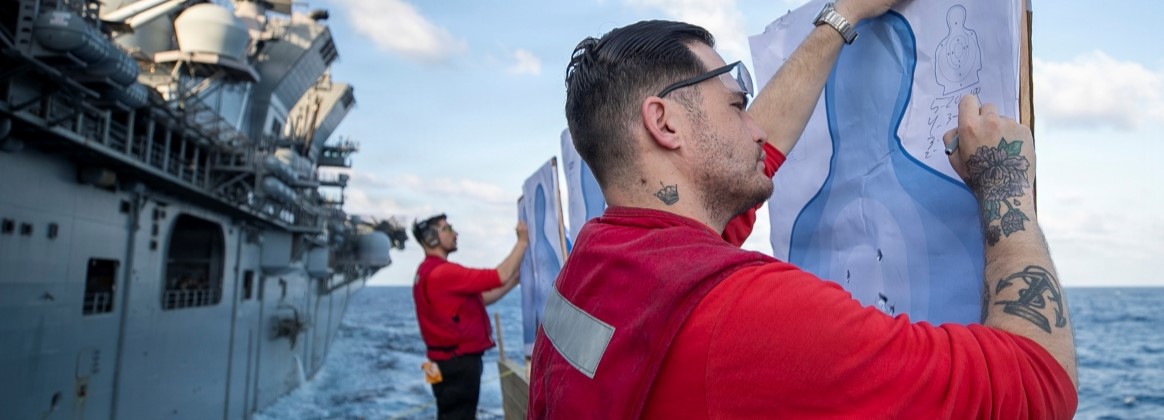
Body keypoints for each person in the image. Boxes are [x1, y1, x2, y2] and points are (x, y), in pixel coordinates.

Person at [528, 1, 1078, 418]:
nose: (757, 128)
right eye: (737, 106)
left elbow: (755, 159)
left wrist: (841, 17)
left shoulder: (595, 267)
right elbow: (1039, 381)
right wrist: (1004, 183)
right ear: (665, 123)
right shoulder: (748, 316)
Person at [412, 214, 528, 419]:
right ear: (431, 238)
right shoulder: (443, 273)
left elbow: (481, 298)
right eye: (447, 229)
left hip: (441, 362)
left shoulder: (425, 271)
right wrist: (522, 241)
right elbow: (499, 275)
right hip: (458, 364)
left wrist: (513, 281)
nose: (454, 233)